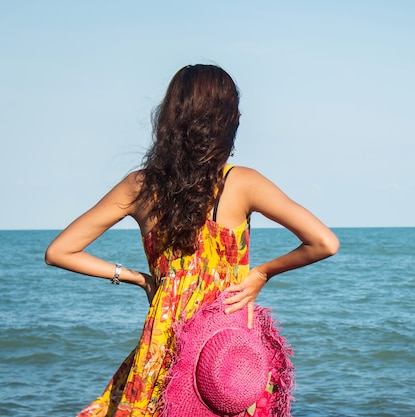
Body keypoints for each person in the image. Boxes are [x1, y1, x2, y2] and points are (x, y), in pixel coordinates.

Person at [45, 64, 339, 417]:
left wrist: (141, 279)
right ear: (226, 122)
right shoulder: (241, 183)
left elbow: (59, 251)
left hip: (163, 343)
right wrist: (261, 274)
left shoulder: (139, 186)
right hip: (222, 351)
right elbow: (324, 242)